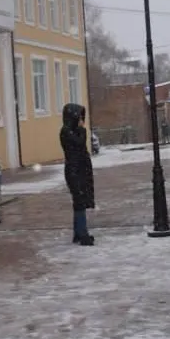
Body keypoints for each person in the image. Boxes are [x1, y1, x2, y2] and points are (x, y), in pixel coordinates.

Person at [59, 103, 96, 246]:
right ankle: (82, 233)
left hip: (79, 169)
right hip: (74, 170)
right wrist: (82, 130)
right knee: (79, 201)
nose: (81, 120)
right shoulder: (66, 131)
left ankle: (78, 233)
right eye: (79, 117)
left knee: (79, 202)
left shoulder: (72, 130)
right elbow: (79, 143)